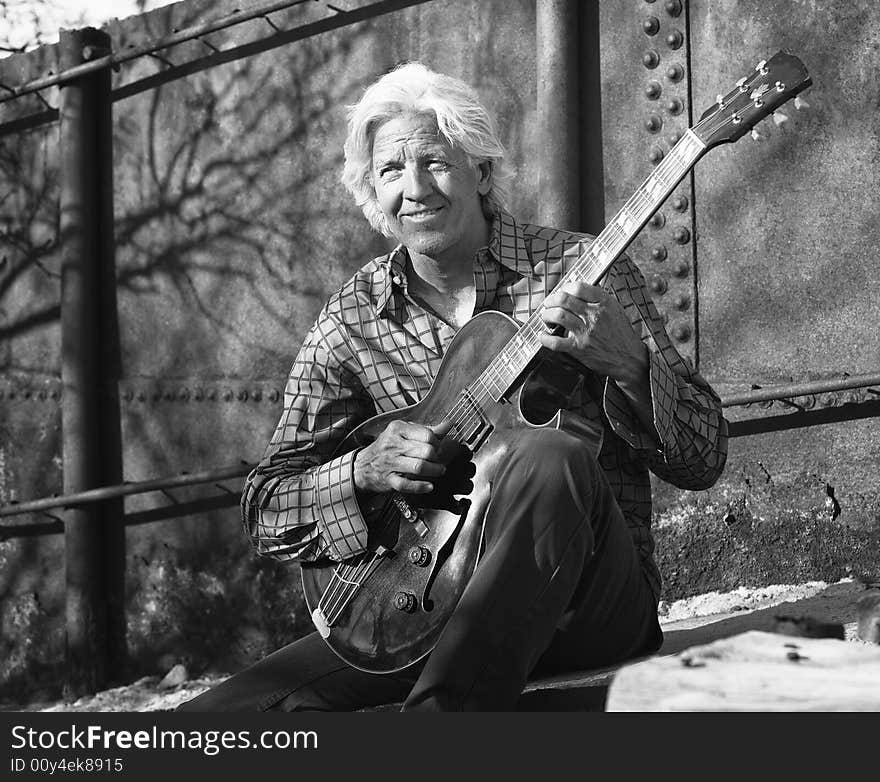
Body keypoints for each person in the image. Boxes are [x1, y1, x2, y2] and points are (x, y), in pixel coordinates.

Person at [179, 61, 728, 712]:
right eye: (390, 170)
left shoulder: (585, 273)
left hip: (587, 609)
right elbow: (265, 509)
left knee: (546, 453)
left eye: (435, 162)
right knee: (207, 724)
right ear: (372, 198)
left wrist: (631, 365)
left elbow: (704, 458)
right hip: (423, 613)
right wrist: (361, 469)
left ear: (482, 173)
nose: (414, 188)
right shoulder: (351, 322)